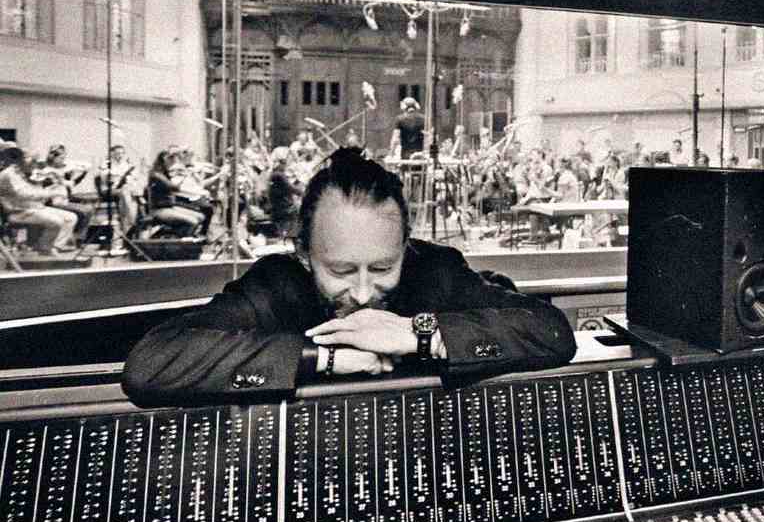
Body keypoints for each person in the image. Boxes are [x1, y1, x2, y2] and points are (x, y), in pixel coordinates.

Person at [122, 148, 576, 406]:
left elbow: (551, 331)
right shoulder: (276, 284)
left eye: (382, 269)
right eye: (340, 270)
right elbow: (150, 365)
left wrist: (420, 335)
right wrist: (324, 358)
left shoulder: (435, 269)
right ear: (303, 253)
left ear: (406, 246)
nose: (361, 293)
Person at [0, 146, 78, 256]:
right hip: (18, 212)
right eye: (33, 161)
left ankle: (53, 247)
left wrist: (49, 185)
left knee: (71, 218)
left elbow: (34, 190)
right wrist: (51, 193)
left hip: (33, 208)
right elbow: (23, 194)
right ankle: (44, 248)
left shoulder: (23, 172)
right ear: (24, 159)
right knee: (56, 221)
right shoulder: (9, 174)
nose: (35, 164)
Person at [146, 149, 205, 236]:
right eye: (170, 159)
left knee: (201, 217)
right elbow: (174, 188)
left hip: (169, 207)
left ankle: (177, 235)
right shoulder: (156, 174)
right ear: (163, 160)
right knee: (193, 221)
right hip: (159, 210)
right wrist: (185, 175)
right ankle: (180, 240)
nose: (172, 162)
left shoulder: (164, 173)